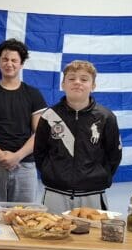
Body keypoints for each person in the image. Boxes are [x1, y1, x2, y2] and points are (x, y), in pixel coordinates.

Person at [33, 60, 122, 213]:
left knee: (92, 230)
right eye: (72, 78)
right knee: (51, 228)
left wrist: (98, 176)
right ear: (63, 84)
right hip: (55, 193)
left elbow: (114, 155)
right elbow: (39, 152)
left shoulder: (106, 117)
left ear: (93, 86)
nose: (77, 82)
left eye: (84, 79)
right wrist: (52, 173)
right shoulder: (49, 116)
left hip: (92, 194)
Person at [0, 39, 48, 210]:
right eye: (5, 59)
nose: (9, 64)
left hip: (25, 165)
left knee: (25, 218)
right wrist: (1, 156)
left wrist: (17, 156)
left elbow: (41, 133)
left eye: (14, 60)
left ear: (21, 64)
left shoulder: (33, 94)